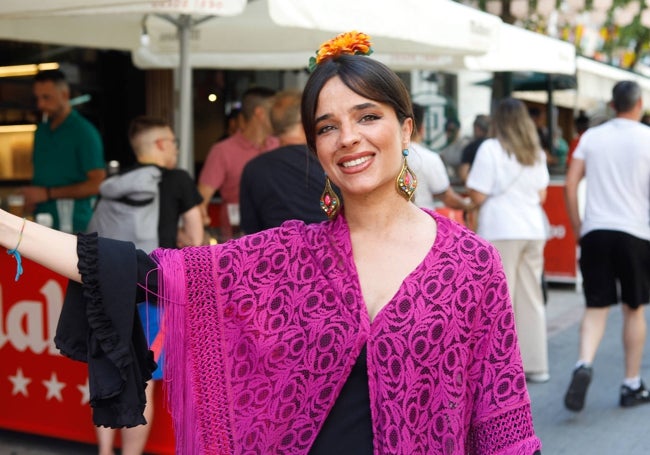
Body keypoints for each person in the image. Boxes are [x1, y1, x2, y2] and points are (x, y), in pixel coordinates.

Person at [0, 31, 541, 454]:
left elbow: (501, 421)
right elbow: (147, 272)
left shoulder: (472, 264)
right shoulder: (288, 257)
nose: (348, 137)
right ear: (314, 147)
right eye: (327, 127)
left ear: (407, 130)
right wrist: (9, 228)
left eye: (367, 116)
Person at [91, 116, 204, 455]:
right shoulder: (178, 180)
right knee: (140, 382)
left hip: (109, 291)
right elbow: (196, 241)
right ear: (159, 145)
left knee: (109, 375)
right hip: (153, 292)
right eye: (173, 142)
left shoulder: (115, 182)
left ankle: (103, 450)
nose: (176, 149)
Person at [563, 80, 650, 412]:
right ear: (639, 104)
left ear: (612, 105)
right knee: (633, 308)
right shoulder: (647, 138)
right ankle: (631, 384)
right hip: (635, 232)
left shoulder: (591, 137)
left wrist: (578, 228)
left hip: (596, 231)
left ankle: (583, 363)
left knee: (596, 307)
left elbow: (571, 185)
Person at [466, 98, 550, 384]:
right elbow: (542, 196)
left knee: (501, 300)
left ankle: (503, 368)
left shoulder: (490, 149)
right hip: (532, 228)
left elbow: (477, 195)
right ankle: (536, 365)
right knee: (531, 296)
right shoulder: (534, 152)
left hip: (501, 228)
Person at [22, 69, 106, 232]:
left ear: (65, 95)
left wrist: (47, 193)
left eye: (46, 97)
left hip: (75, 229)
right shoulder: (41, 132)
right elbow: (43, 176)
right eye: (37, 98)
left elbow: (97, 184)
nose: (40, 104)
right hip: (41, 224)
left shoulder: (84, 131)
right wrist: (32, 196)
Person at [239, 90, 330, 233]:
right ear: (305, 122)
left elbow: (250, 231)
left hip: (274, 253)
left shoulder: (254, 169)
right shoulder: (328, 161)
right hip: (328, 251)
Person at [197, 87, 280, 240]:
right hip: (236, 241)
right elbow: (201, 199)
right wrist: (202, 235)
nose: (278, 115)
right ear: (260, 113)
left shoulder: (280, 145)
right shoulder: (223, 150)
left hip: (277, 239)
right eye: (275, 109)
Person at [408, 103, 473, 212]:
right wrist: (470, 206)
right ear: (422, 128)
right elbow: (447, 197)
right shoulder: (429, 158)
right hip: (424, 221)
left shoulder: (388, 157)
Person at [458, 114, 490, 184]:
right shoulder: (500, 147)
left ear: (477, 128)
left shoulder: (471, 148)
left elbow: (463, 174)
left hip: (478, 189)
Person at [438, 117, 469, 185]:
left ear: (458, 130)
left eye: (451, 130)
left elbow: (459, 161)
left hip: (465, 183)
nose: (449, 133)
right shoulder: (445, 149)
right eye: (447, 130)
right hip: (452, 183)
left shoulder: (465, 144)